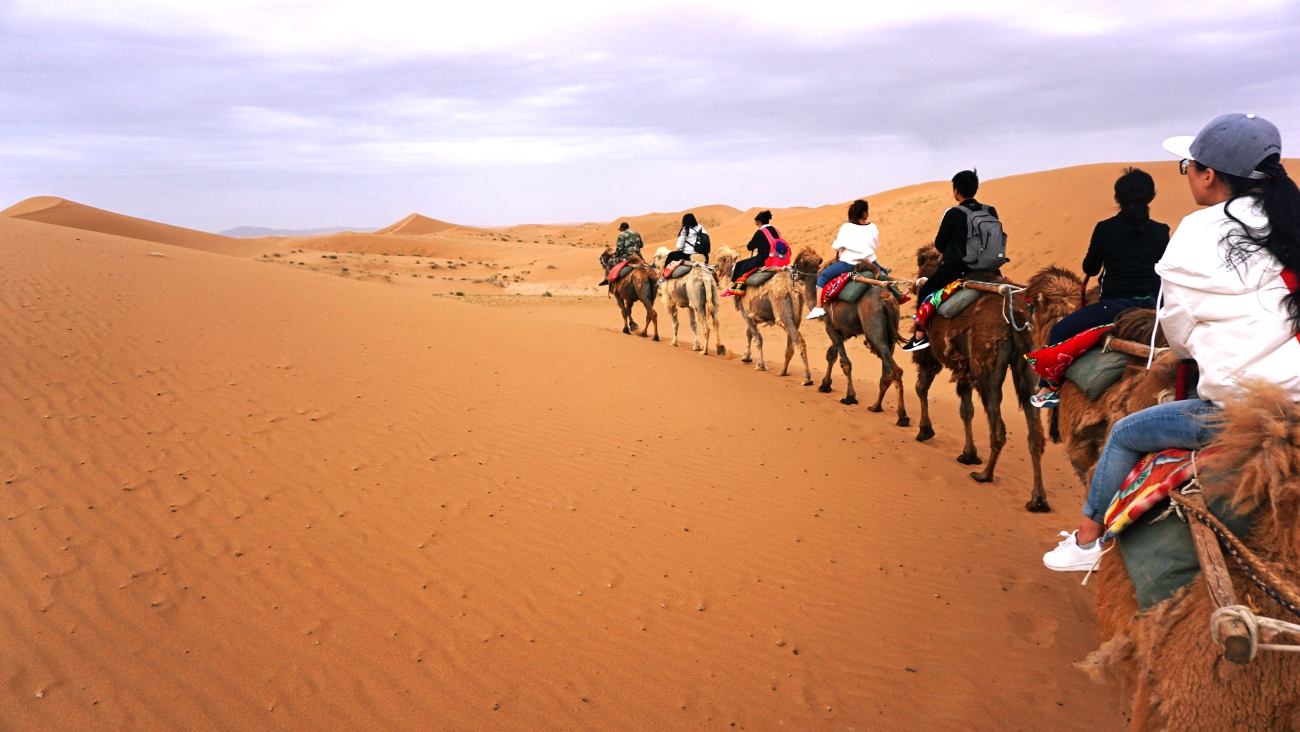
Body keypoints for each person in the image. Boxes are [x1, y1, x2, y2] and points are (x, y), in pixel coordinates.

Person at [1044, 112, 1300, 572]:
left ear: (1208, 175)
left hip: (1241, 411)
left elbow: (1178, 334)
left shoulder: (1199, 233)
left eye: (1189, 167)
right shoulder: (1289, 221)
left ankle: (1085, 542)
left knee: (1122, 431)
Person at [1029, 169, 1171, 408]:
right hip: (1152, 308)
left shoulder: (1106, 228)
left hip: (1112, 309)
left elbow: (1090, 268)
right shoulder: (1161, 231)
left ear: (1118, 198)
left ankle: (1048, 388)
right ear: (1151, 196)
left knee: (1059, 332)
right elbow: (1167, 269)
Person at [902, 170, 999, 351]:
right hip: (989, 269)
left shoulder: (953, 213)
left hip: (957, 270)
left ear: (956, 191)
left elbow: (939, 244)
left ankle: (919, 337)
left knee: (925, 292)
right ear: (975, 189)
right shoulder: (990, 210)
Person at [806, 199, 909, 320]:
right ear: (865, 213)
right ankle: (898, 295)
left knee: (823, 276)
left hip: (850, 263)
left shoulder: (846, 227)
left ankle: (818, 307)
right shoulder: (873, 227)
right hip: (870, 262)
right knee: (883, 273)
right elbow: (875, 245)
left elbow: (837, 246)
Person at [724, 210, 778, 296]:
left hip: (763, 259)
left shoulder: (761, 232)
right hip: (778, 259)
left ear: (759, 222)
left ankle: (732, 289)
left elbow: (750, 247)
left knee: (739, 265)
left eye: (757, 224)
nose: (757, 225)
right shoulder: (775, 230)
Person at [661, 213, 707, 281]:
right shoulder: (701, 228)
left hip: (688, 255)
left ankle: (664, 277)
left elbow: (679, 246)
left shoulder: (685, 230)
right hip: (702, 255)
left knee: (671, 255)